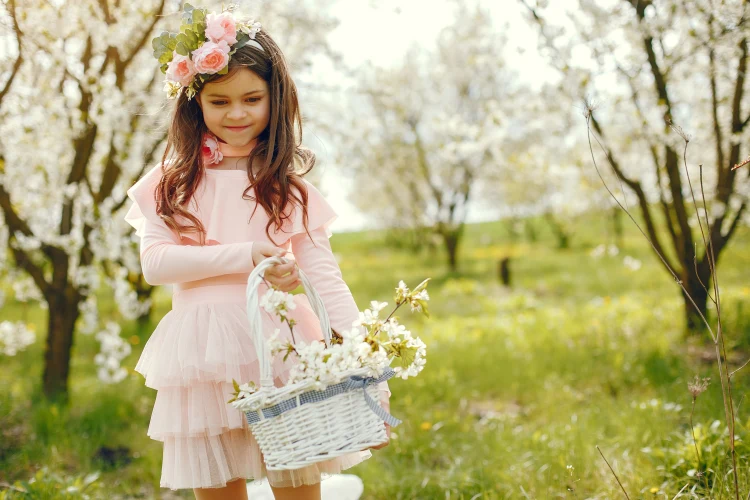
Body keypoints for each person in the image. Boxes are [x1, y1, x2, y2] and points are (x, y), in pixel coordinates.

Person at [123, 7, 390, 500]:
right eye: (219, 101)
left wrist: (360, 351)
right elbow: (155, 263)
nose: (237, 113)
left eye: (252, 98)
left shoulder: (288, 188)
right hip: (200, 353)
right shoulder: (171, 183)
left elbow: (323, 274)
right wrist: (246, 255)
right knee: (218, 485)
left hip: (282, 342)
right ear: (194, 102)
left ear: (276, 98)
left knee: (296, 480)